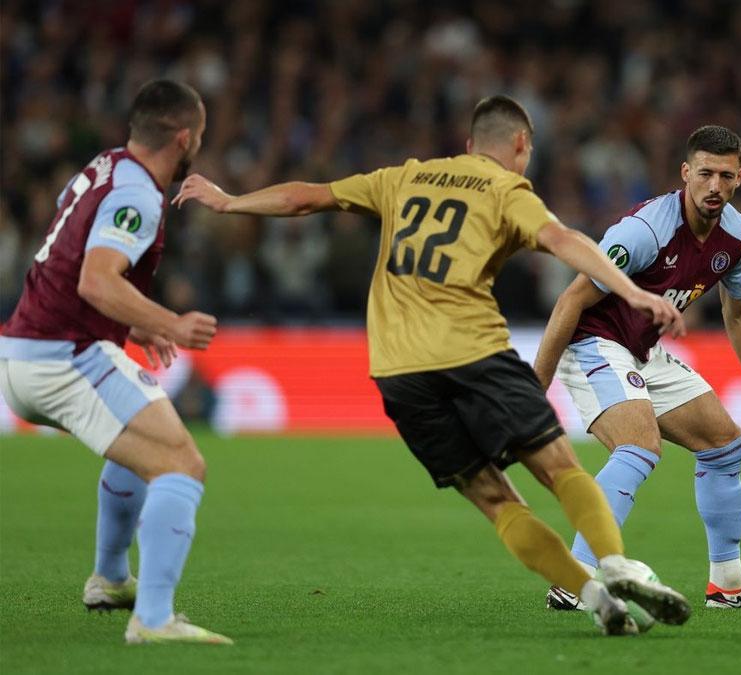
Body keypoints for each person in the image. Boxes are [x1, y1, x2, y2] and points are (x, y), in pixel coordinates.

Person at [173, 95, 692, 635]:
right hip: (472, 350)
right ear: (520, 145)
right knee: (561, 470)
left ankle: (592, 596)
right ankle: (612, 564)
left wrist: (230, 202)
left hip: (398, 371)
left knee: (496, 501)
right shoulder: (506, 188)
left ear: (468, 145)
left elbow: (308, 199)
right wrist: (632, 292)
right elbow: (561, 239)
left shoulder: (404, 178)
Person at [0, 80, 231, 644]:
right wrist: (168, 322)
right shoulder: (139, 195)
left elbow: (68, 265)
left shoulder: (104, 167)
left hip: (24, 352)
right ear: (183, 138)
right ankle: (153, 619)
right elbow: (96, 278)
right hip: (64, 356)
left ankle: (110, 578)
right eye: (198, 137)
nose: (197, 147)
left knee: (139, 445)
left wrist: (133, 325)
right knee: (181, 465)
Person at [533, 125, 741, 611]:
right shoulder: (645, 230)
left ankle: (728, 586)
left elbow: (737, 312)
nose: (714, 186)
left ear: (740, 177)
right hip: (594, 340)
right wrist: (537, 387)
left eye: (724, 175)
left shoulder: (737, 235)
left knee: (724, 443)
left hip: (642, 348)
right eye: (704, 174)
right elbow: (572, 299)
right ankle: (575, 576)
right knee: (638, 445)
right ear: (685, 173)